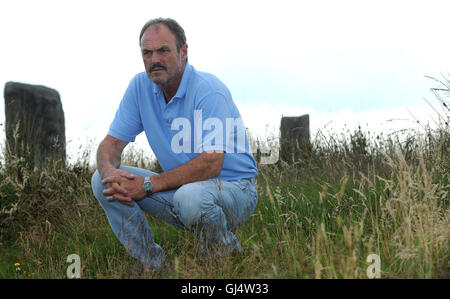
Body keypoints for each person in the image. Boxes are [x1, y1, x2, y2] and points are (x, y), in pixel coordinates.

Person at [91, 18, 258, 272]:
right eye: (147, 53)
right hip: (181, 190)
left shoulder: (208, 90)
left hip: (235, 191)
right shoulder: (140, 87)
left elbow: (212, 163)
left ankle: (225, 257)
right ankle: (152, 265)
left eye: (163, 51)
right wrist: (109, 171)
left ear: (183, 52)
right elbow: (111, 144)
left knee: (189, 197)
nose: (154, 59)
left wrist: (147, 185)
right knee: (101, 181)